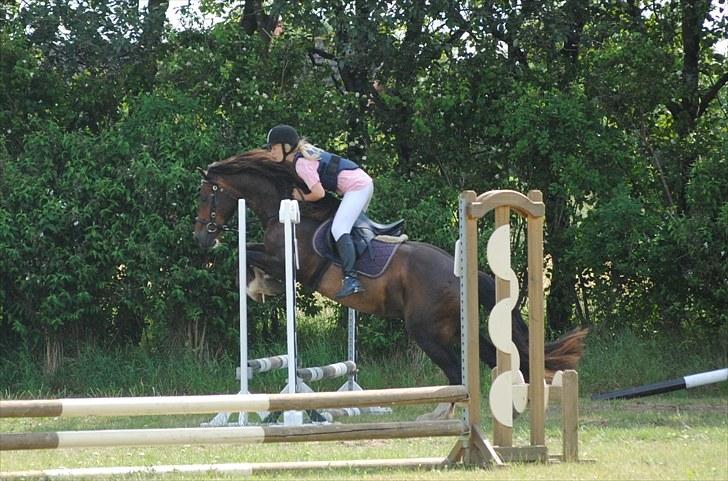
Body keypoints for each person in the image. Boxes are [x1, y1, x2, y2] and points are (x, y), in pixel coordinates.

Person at [265, 124, 373, 299]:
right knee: (344, 228)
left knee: (339, 229)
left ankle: (352, 279)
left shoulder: (301, 163)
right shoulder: (302, 155)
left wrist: (302, 197)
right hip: (358, 184)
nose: (271, 152)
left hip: (357, 188)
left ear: (286, 147)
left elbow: (319, 193)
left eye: (274, 147)